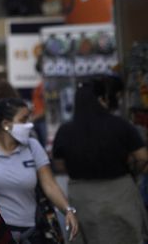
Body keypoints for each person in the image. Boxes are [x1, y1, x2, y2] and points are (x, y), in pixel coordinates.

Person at [0, 98, 79, 241]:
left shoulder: (33, 146)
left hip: (28, 231)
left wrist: (67, 210)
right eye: (24, 120)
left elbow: (49, 184)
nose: (29, 124)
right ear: (6, 125)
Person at [53, 78, 148, 244]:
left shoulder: (65, 130)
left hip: (83, 197)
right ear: (102, 100)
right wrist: (133, 171)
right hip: (120, 192)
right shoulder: (120, 125)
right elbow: (142, 157)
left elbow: (59, 165)